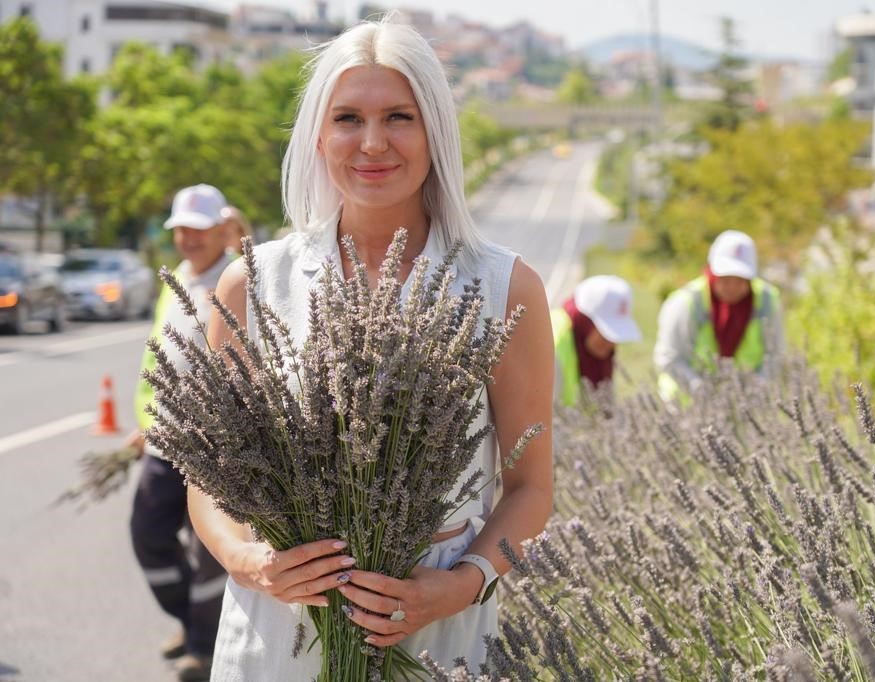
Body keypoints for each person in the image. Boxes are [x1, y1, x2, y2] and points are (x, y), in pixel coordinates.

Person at [190, 17, 554, 678]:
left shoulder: (505, 289)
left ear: (435, 130)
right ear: (319, 134)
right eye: (349, 118)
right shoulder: (254, 283)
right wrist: (251, 563)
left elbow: (531, 488)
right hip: (280, 634)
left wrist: (461, 585)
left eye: (399, 117)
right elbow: (209, 478)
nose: (374, 143)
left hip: (439, 636)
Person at [128, 183, 234, 681]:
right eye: (181, 229)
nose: (189, 238)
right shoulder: (173, 283)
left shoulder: (239, 278)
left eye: (199, 227)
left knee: (210, 548)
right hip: (163, 441)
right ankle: (188, 617)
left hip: (217, 447)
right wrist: (145, 421)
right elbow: (155, 359)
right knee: (148, 534)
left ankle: (203, 644)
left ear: (221, 228)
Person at [654, 229, 784, 402]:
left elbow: (775, 355)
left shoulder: (767, 301)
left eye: (740, 280)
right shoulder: (685, 303)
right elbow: (669, 358)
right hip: (687, 404)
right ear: (712, 272)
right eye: (725, 279)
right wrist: (702, 391)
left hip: (745, 405)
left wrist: (756, 389)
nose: (732, 287)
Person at [551, 275, 642, 406]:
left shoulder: (590, 346)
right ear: (586, 322)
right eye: (606, 334)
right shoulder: (553, 346)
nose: (612, 343)